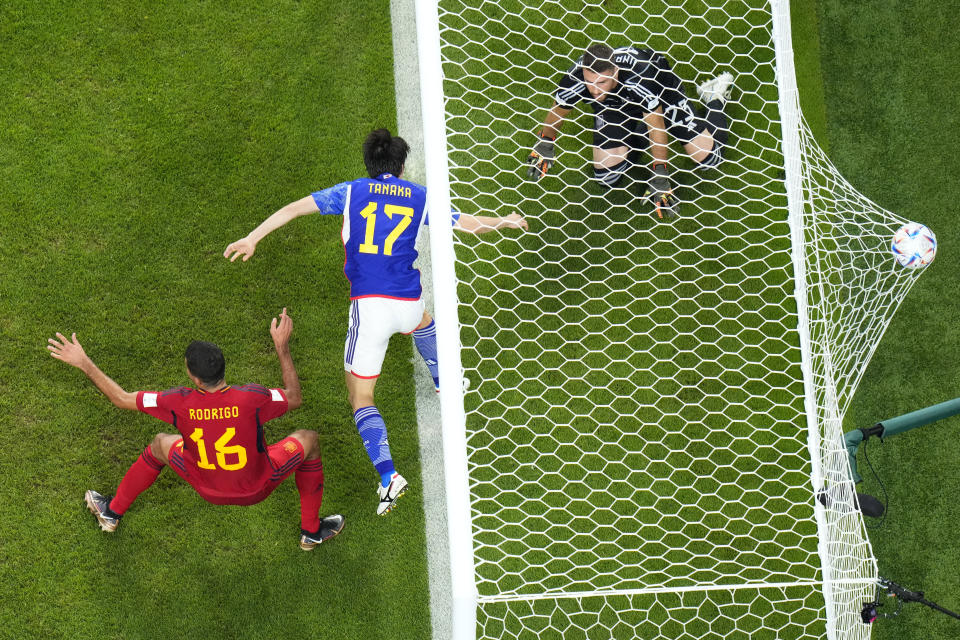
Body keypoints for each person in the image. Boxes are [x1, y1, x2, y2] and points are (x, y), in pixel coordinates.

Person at [224, 128, 528, 516]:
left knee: (360, 397)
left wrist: (252, 237)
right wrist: (503, 221)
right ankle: (444, 381)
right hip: (408, 300)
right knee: (422, 320)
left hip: (370, 310)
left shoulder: (351, 192)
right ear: (400, 168)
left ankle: (388, 477)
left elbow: (293, 209)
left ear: (369, 166)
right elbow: (465, 222)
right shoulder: (419, 197)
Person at [47, 308, 344, 551]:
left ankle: (111, 513)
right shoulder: (253, 398)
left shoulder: (178, 402)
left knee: (161, 444)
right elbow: (294, 397)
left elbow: (121, 398)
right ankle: (311, 531)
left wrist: (84, 362)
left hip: (205, 486)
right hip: (258, 486)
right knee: (309, 439)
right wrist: (282, 345)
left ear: (194, 377)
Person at [526, 43, 734, 219]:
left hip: (662, 96)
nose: (595, 90)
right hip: (615, 106)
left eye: (602, 82)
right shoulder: (576, 77)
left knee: (709, 159)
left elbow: (656, 126)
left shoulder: (641, 77)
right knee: (606, 177)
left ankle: (713, 96)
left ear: (615, 72)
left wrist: (660, 174)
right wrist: (546, 141)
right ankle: (635, 131)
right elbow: (558, 111)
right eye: (590, 83)